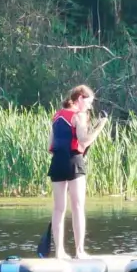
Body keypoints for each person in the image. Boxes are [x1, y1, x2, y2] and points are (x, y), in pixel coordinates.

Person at [47, 85, 108, 259]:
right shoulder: (79, 115)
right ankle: (79, 251)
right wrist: (101, 125)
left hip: (57, 163)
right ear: (80, 98)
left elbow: (50, 146)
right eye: (89, 102)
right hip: (74, 161)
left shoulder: (57, 116)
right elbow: (84, 140)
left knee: (58, 209)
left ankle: (59, 251)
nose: (90, 106)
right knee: (78, 207)